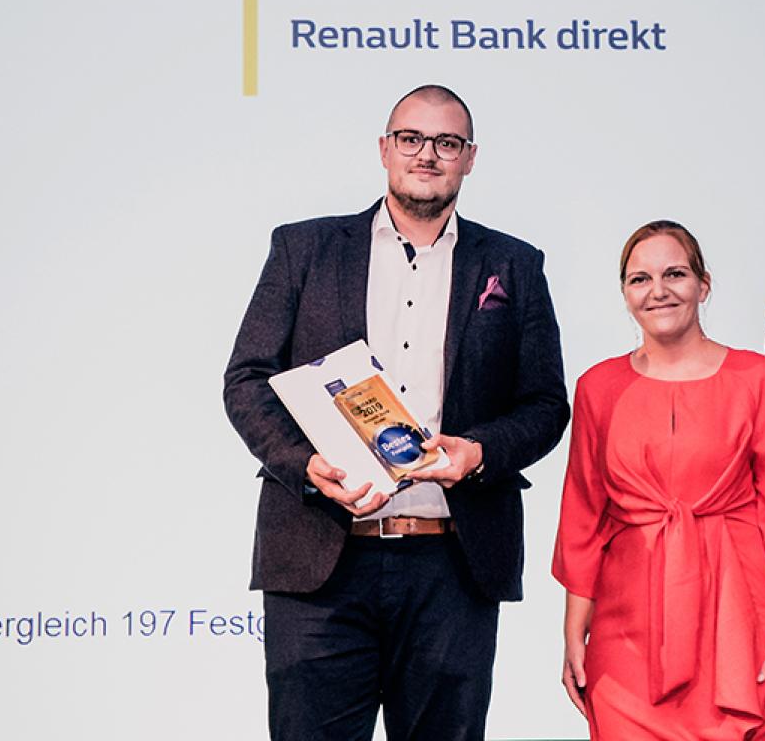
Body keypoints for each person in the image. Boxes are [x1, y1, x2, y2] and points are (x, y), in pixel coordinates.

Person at [223, 84, 569, 741]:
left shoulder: (514, 264)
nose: (427, 154)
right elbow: (247, 380)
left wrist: (480, 453)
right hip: (320, 559)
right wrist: (304, 464)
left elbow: (546, 405)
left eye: (447, 142)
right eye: (411, 139)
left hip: (452, 564)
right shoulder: (304, 248)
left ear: (470, 158)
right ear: (385, 149)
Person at [553, 220, 765, 740]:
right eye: (640, 279)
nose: (658, 290)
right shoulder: (596, 388)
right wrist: (573, 635)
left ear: (704, 284)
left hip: (744, 623)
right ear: (625, 294)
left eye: (674, 274)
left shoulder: (760, 380)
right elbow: (583, 519)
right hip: (627, 633)